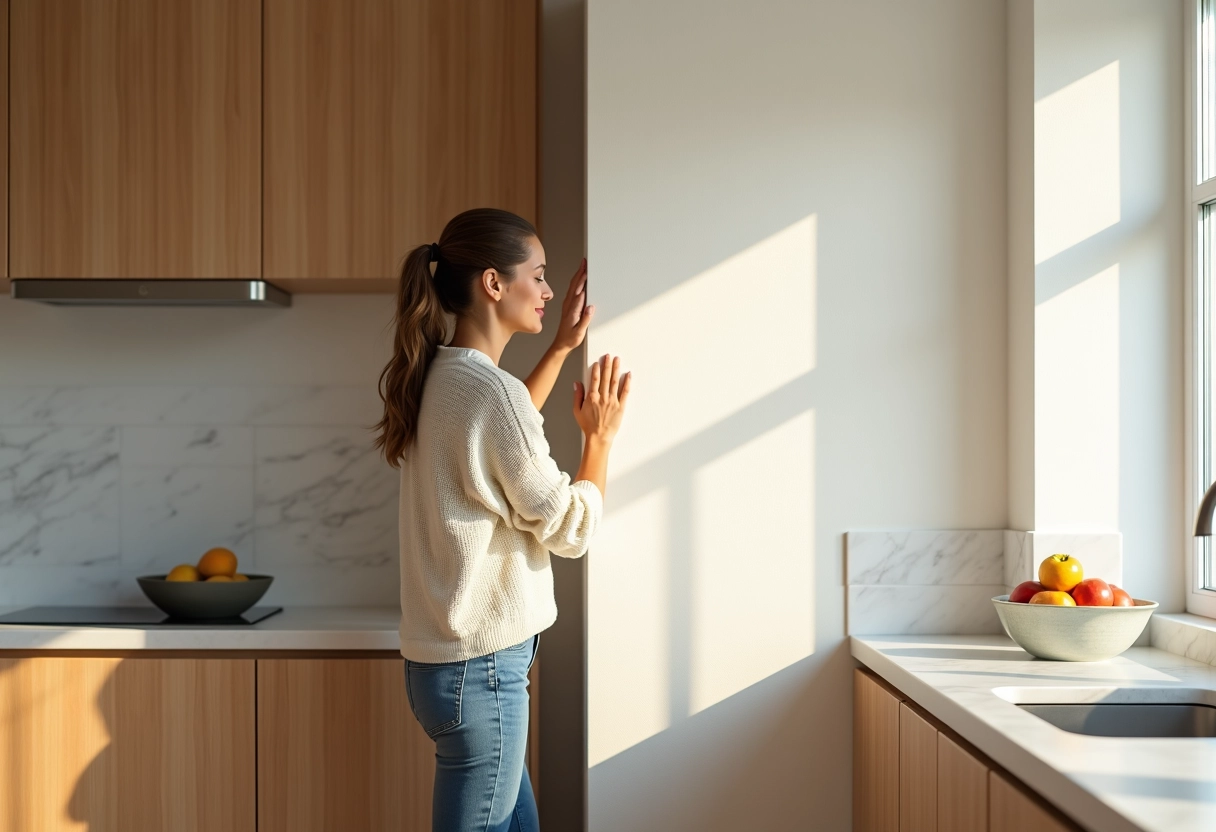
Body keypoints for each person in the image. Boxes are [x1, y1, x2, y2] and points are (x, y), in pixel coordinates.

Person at [373, 207, 631, 831]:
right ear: (494, 283)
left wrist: (561, 348)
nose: (548, 291)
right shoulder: (490, 393)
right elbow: (572, 528)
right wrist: (599, 441)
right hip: (481, 671)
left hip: (447, 670)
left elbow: (497, 445)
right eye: (537, 275)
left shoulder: (442, 376)